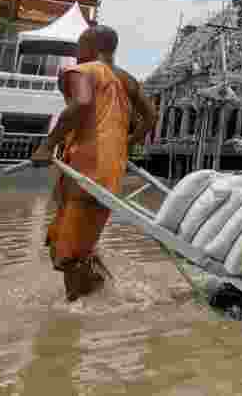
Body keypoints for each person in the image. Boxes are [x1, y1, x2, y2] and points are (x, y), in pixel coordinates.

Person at [31, 25, 157, 301]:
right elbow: (150, 118)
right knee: (65, 242)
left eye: (79, 46)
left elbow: (80, 104)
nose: (77, 53)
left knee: (67, 252)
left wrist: (48, 144)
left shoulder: (85, 71)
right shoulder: (127, 79)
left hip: (88, 168)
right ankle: (102, 293)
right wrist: (125, 144)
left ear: (90, 47)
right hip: (105, 169)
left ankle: (82, 308)